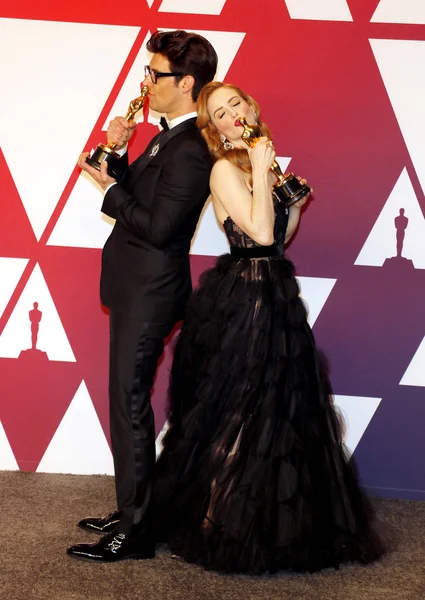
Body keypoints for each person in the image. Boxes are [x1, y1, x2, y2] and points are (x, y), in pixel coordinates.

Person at [154, 81, 385, 574]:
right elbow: (255, 236)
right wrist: (261, 171)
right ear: (212, 128)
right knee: (234, 413)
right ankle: (215, 523)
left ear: (250, 107)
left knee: (276, 413)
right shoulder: (222, 170)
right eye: (219, 112)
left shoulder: (257, 163)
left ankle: (261, 523)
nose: (231, 113)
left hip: (276, 294)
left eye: (235, 103)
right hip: (242, 300)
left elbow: (279, 237)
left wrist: (293, 203)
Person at [66, 30, 218, 563]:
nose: (146, 83)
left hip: (152, 292)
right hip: (137, 287)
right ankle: (135, 509)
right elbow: (146, 197)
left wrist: (108, 192)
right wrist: (115, 153)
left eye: (156, 76)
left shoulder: (192, 149)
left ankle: (134, 533)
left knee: (129, 406)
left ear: (188, 83)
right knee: (125, 402)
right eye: (147, 73)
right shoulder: (167, 136)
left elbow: (159, 227)